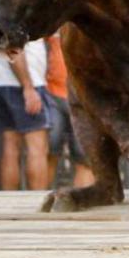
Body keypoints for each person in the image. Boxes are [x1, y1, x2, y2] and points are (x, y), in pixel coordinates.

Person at [0, 38, 51, 190]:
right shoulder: (9, 15)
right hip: (25, 84)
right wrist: (28, 87)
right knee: (37, 148)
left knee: (10, 147)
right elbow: (13, 49)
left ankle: (9, 200)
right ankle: (37, 200)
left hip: (0, 81)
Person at [45, 33, 93, 188]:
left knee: (85, 159)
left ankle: (82, 204)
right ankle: (41, 201)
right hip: (53, 94)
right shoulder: (50, 18)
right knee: (49, 154)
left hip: (82, 97)